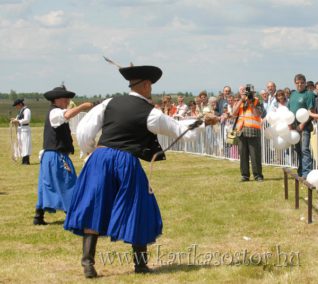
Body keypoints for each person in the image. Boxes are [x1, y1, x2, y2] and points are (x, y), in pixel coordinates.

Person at [64, 63, 218, 278]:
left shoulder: (109, 102)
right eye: (151, 86)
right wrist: (204, 123)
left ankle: (88, 264)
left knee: (93, 206)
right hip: (126, 162)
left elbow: (84, 130)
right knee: (138, 208)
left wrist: (91, 152)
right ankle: (140, 265)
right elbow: (183, 132)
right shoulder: (151, 114)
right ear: (145, 85)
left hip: (99, 157)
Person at [34, 86, 93, 226]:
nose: (67, 101)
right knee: (69, 182)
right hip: (56, 156)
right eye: (65, 98)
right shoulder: (55, 112)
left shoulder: (56, 112)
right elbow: (67, 115)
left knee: (46, 185)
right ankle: (73, 216)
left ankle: (38, 216)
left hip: (51, 155)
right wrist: (82, 106)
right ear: (57, 99)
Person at [232, 84, 264, 182]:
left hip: (253, 131)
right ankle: (245, 175)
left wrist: (251, 103)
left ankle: (258, 175)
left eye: (249, 94)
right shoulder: (239, 102)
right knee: (243, 155)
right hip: (241, 131)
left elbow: (257, 114)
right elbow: (234, 113)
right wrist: (241, 100)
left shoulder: (257, 101)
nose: (247, 95)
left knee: (255, 155)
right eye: (246, 93)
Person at [287, 74, 315, 178]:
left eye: (302, 83)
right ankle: (301, 170)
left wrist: (302, 125)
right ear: (295, 83)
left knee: (304, 149)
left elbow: (311, 112)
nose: (300, 85)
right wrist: (289, 125)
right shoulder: (293, 95)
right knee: (298, 150)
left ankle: (307, 173)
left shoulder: (309, 94)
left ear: (305, 83)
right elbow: (289, 111)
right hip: (294, 126)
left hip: (305, 126)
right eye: (297, 83)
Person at [11, 99, 32, 165]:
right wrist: (14, 120)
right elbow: (19, 119)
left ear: (20, 104)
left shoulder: (27, 110)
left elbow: (27, 120)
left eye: (16, 105)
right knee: (21, 145)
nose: (16, 107)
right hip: (20, 129)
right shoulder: (20, 111)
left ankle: (26, 160)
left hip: (25, 129)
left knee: (25, 144)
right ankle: (23, 160)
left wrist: (18, 121)